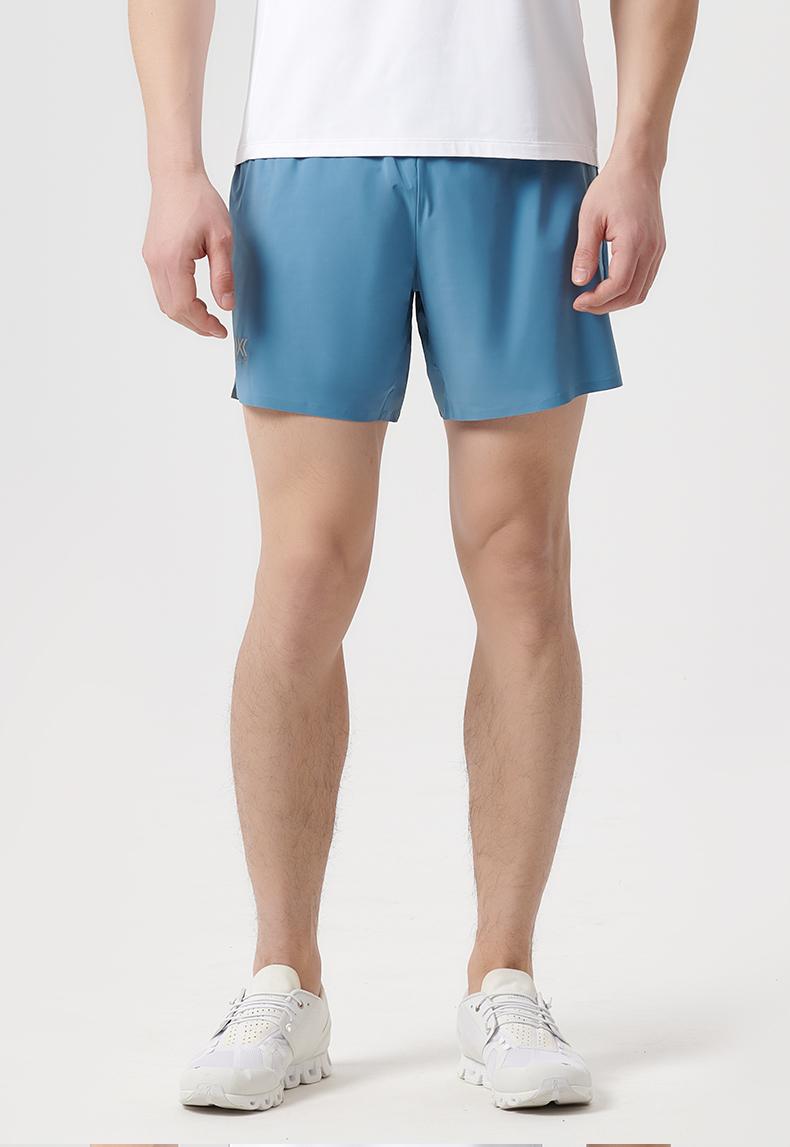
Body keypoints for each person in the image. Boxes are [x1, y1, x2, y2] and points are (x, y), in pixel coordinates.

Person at [129, 0, 698, 1113]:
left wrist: (638, 156)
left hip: (526, 145)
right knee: (303, 573)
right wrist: (171, 166)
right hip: (308, 147)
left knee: (521, 564)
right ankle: (283, 978)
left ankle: (504, 978)